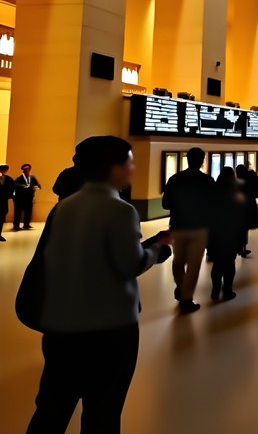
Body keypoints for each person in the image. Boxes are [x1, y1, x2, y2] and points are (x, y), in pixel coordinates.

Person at [25, 136, 172, 434]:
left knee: (52, 409)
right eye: (129, 161)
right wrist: (157, 251)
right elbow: (130, 264)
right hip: (110, 331)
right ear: (113, 168)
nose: (133, 167)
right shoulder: (120, 210)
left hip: (62, 327)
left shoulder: (64, 207)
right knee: (103, 411)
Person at [162, 147, 214, 314]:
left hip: (178, 226)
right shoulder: (207, 181)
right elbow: (214, 205)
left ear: (187, 159)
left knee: (178, 261)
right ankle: (187, 299)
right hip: (199, 228)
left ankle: (180, 286)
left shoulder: (175, 179)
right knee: (194, 265)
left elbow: (165, 204)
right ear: (202, 161)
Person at [208, 168, 247, 301]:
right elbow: (241, 217)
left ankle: (215, 289)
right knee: (229, 263)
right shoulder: (236, 193)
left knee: (217, 263)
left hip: (216, 233)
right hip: (232, 234)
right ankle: (227, 290)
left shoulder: (213, 192)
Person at [236, 163, 258, 258]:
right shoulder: (251, 178)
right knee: (245, 226)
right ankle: (242, 246)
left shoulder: (237, 181)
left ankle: (241, 246)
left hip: (239, 206)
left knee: (241, 226)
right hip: (249, 204)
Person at [12, 163, 42, 230]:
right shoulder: (19, 178)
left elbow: (38, 184)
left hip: (29, 197)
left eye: (28, 169)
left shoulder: (32, 177)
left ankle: (26, 224)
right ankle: (16, 225)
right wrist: (24, 186)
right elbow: (15, 185)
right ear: (23, 170)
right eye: (25, 169)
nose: (27, 170)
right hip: (20, 198)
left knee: (28, 211)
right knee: (18, 212)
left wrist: (37, 186)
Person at [0, 164, 13, 241]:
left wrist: (9, 196)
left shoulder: (8, 179)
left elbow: (12, 189)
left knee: (1, 219)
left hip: (3, 202)